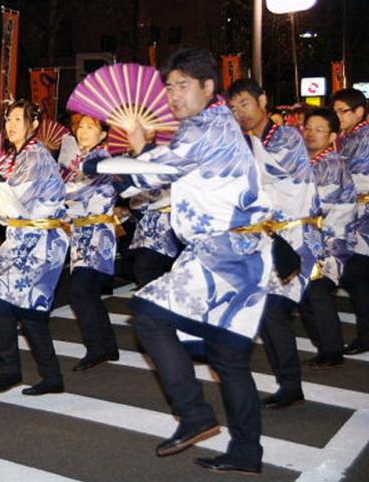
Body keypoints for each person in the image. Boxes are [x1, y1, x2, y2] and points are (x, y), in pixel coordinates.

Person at [86, 49, 273, 474]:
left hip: (222, 254)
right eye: (169, 86)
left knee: (148, 315)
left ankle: (194, 414)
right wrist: (136, 158)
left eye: (183, 85)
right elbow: (167, 167)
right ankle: (246, 452)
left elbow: (159, 170)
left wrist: (104, 163)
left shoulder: (206, 126)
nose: (172, 94)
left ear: (209, 87)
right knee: (228, 358)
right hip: (240, 254)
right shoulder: (212, 126)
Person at [228, 78, 321, 408]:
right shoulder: (246, 141)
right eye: (234, 107)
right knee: (271, 312)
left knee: (274, 310)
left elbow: (274, 176)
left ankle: (293, 381)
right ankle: (291, 383)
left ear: (262, 100)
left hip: (295, 236)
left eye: (245, 104)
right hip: (268, 238)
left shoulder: (286, 137)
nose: (240, 112)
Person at [0, 100, 69, 396]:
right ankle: (12, 371)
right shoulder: (14, 156)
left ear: (33, 124)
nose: (10, 125)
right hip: (20, 240)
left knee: (28, 311)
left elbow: (12, 199)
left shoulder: (36, 156)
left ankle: (49, 376)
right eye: (8, 119)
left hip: (41, 242)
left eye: (17, 119)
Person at [59, 115, 119, 371]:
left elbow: (77, 192)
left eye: (90, 127)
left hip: (97, 231)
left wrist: (55, 195)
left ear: (103, 134)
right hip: (82, 233)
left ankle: (96, 349)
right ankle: (108, 346)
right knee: (89, 292)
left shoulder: (102, 160)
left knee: (81, 291)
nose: (82, 131)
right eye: (80, 126)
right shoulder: (82, 159)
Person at [299, 108, 356, 368]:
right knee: (310, 296)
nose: (311, 133)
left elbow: (318, 205)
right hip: (312, 239)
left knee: (317, 295)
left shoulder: (331, 164)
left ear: (332, 135)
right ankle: (327, 348)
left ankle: (331, 351)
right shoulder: (307, 161)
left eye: (319, 129)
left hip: (329, 241)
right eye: (308, 127)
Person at [332, 88, 369, 355]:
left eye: (341, 111)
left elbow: (358, 179)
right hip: (356, 218)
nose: (337, 116)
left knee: (357, 278)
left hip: (363, 219)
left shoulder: (364, 137)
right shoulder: (349, 136)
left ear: (359, 111)